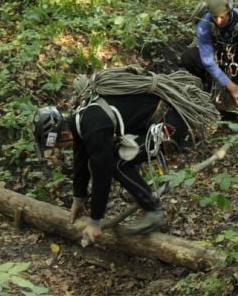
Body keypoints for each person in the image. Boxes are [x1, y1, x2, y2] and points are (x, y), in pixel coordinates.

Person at [33, 94, 188, 243]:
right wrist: (78, 198)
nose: (60, 149)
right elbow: (80, 160)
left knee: (116, 164)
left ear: (66, 135)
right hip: (153, 122)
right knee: (114, 161)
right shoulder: (80, 122)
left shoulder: (94, 127)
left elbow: (102, 173)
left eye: (58, 146)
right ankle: (143, 199)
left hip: (169, 125)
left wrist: (95, 222)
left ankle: (154, 211)